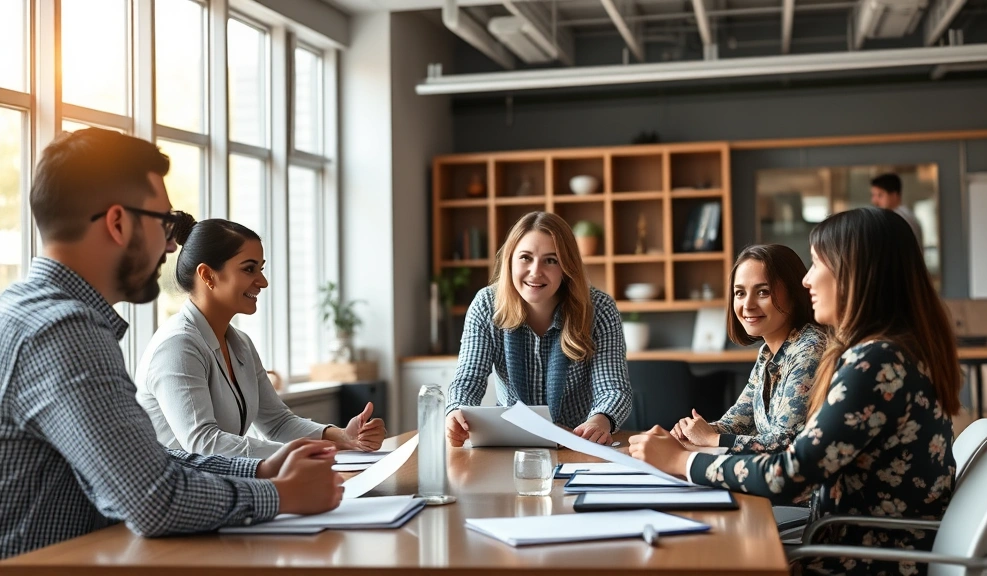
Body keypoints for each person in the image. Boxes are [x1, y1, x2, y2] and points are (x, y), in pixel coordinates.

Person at [0, 129, 342, 560]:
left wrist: (258, 468)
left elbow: (148, 464)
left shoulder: (29, 310)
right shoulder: (64, 331)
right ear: (118, 222)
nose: (169, 244)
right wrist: (280, 495)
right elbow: (153, 500)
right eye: (163, 223)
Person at [629, 207, 960, 576]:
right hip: (862, 547)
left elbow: (787, 474)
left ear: (855, 274)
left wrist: (680, 461)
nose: (807, 281)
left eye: (817, 264)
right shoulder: (892, 351)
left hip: (861, 561)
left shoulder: (876, 362)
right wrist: (689, 445)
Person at [135, 218, 386, 459]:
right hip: (181, 497)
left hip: (224, 487)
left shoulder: (240, 343)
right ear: (208, 276)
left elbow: (277, 422)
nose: (263, 282)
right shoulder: (177, 347)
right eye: (249, 269)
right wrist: (305, 453)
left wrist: (342, 437)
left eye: (261, 269)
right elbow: (203, 444)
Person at [446, 211, 632, 447]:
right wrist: (455, 412)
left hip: (577, 444)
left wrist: (599, 422)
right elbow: (468, 379)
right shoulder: (486, 305)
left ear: (567, 267)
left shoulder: (599, 309)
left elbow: (613, 389)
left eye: (551, 260)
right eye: (525, 257)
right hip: (510, 444)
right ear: (510, 260)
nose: (535, 271)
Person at [671, 244, 825, 454]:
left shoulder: (809, 348)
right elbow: (737, 422)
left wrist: (712, 438)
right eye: (740, 293)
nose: (747, 305)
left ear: (794, 293)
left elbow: (787, 442)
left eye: (763, 292)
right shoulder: (768, 352)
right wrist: (691, 431)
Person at [870, 172, 923, 248]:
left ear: (894, 195)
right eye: (873, 195)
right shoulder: (907, 215)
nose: (874, 201)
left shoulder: (898, 218)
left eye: (880, 195)